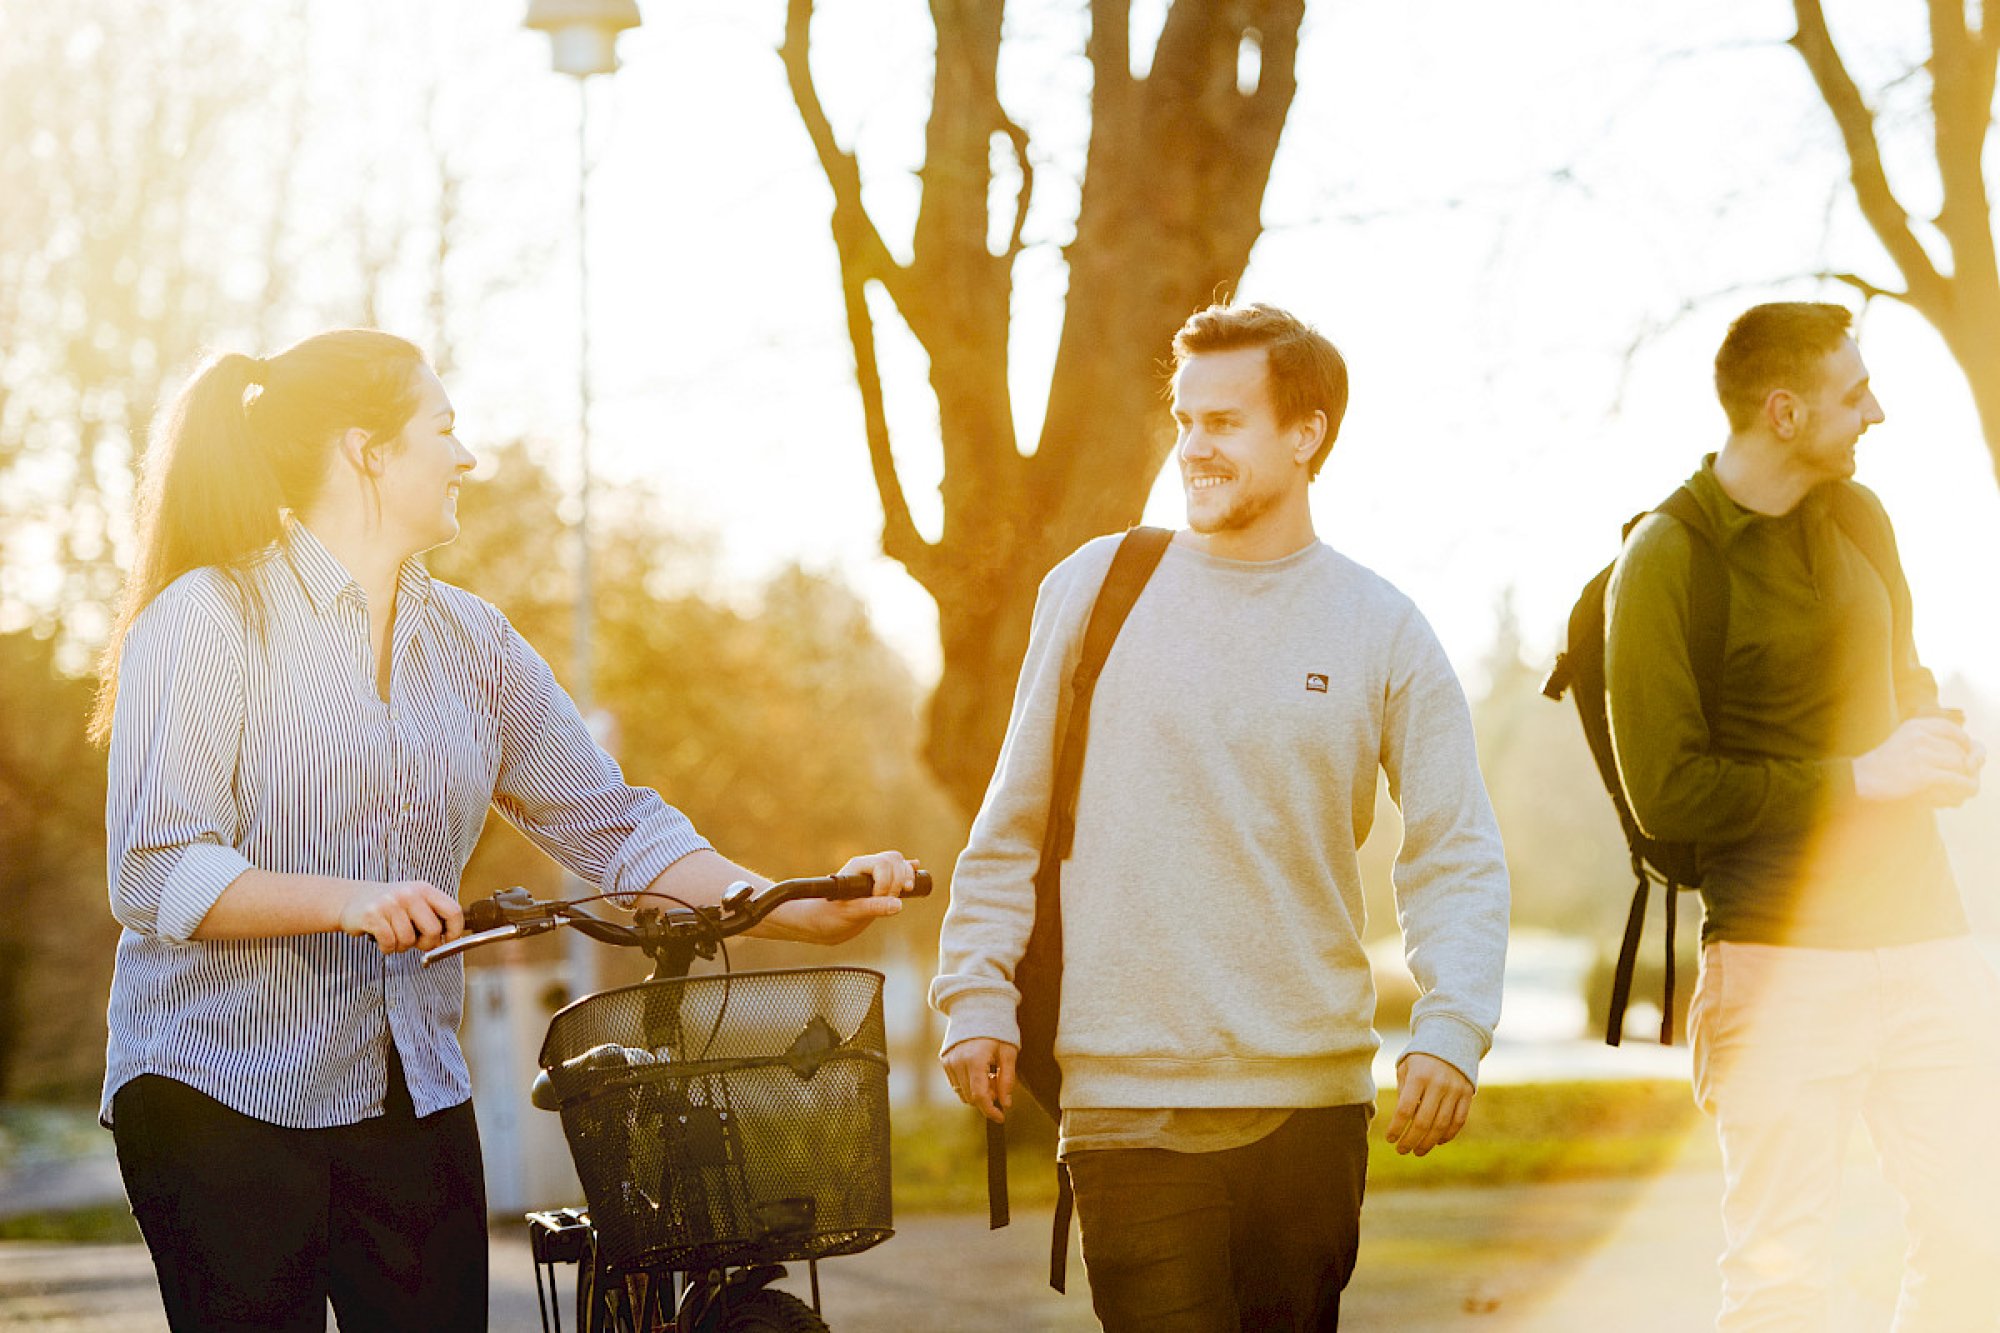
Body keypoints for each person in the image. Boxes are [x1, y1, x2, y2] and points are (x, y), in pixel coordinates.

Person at [90, 329, 920, 1333]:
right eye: (443, 427)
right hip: (216, 1086)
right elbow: (153, 868)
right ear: (368, 450)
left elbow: (615, 827)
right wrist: (350, 902)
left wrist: (796, 907)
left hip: (410, 1089)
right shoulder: (210, 619)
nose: (467, 456)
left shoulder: (471, 643)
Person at [930, 302, 1510, 1330]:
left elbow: (1453, 847)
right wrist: (974, 992)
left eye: (1224, 422)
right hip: (1125, 1095)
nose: (1193, 446)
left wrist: (1451, 1023)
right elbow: (1009, 822)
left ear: (1305, 432)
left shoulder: (1381, 626)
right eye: (1185, 420)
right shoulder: (1095, 591)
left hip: (1310, 1099)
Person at [1605, 302, 2000, 1331]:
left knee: (1977, 1244)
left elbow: (1901, 676)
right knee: (1781, 1278)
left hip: (1923, 934)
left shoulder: (1861, 517)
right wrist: (1859, 778)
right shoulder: (1667, 557)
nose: (1876, 410)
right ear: (1781, 411)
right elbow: (1668, 792)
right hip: (1776, 956)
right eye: (1853, 392)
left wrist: (1932, 738)